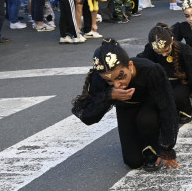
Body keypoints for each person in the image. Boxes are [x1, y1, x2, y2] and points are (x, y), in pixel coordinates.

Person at [72, 38, 180, 171]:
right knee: (133, 162)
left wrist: (166, 149)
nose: (117, 84)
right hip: (126, 108)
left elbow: (168, 108)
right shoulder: (99, 78)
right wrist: (109, 96)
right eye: (109, 81)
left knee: (146, 120)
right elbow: (87, 117)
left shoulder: (151, 70)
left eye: (120, 77)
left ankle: (152, 144)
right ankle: (140, 140)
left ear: (130, 65)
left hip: (151, 108)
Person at [138, 23, 192, 124]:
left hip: (182, 83)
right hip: (163, 81)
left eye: (166, 50)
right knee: (153, 99)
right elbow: (141, 61)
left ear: (172, 40)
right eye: (159, 53)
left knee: (174, 96)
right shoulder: (150, 49)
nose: (163, 54)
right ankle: (171, 109)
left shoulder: (184, 50)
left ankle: (186, 110)